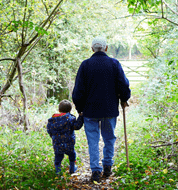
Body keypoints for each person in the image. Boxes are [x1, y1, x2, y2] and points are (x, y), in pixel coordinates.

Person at [72, 36, 131, 182]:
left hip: (89, 111)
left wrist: (80, 108)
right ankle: (107, 167)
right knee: (109, 138)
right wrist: (124, 98)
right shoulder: (114, 63)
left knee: (93, 141)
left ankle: (96, 171)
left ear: (92, 49)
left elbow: (78, 90)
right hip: (109, 110)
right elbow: (123, 84)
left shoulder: (85, 65)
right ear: (106, 48)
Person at [47, 100, 84, 175]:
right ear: (70, 110)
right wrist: (81, 117)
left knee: (58, 156)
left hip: (57, 143)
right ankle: (72, 168)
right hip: (69, 142)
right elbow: (77, 126)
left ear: (59, 110)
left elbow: (49, 130)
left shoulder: (52, 120)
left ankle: (58, 171)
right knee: (72, 155)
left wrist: (53, 137)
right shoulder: (70, 119)